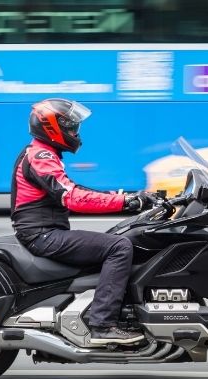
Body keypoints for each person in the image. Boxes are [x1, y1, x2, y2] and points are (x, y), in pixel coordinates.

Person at [10, 98, 153, 345]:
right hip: (42, 235)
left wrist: (123, 198)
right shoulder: (41, 155)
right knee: (119, 247)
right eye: (71, 127)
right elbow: (72, 197)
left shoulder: (43, 153)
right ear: (53, 128)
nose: (75, 133)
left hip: (45, 231)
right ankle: (102, 324)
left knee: (120, 234)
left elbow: (72, 188)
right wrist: (124, 203)